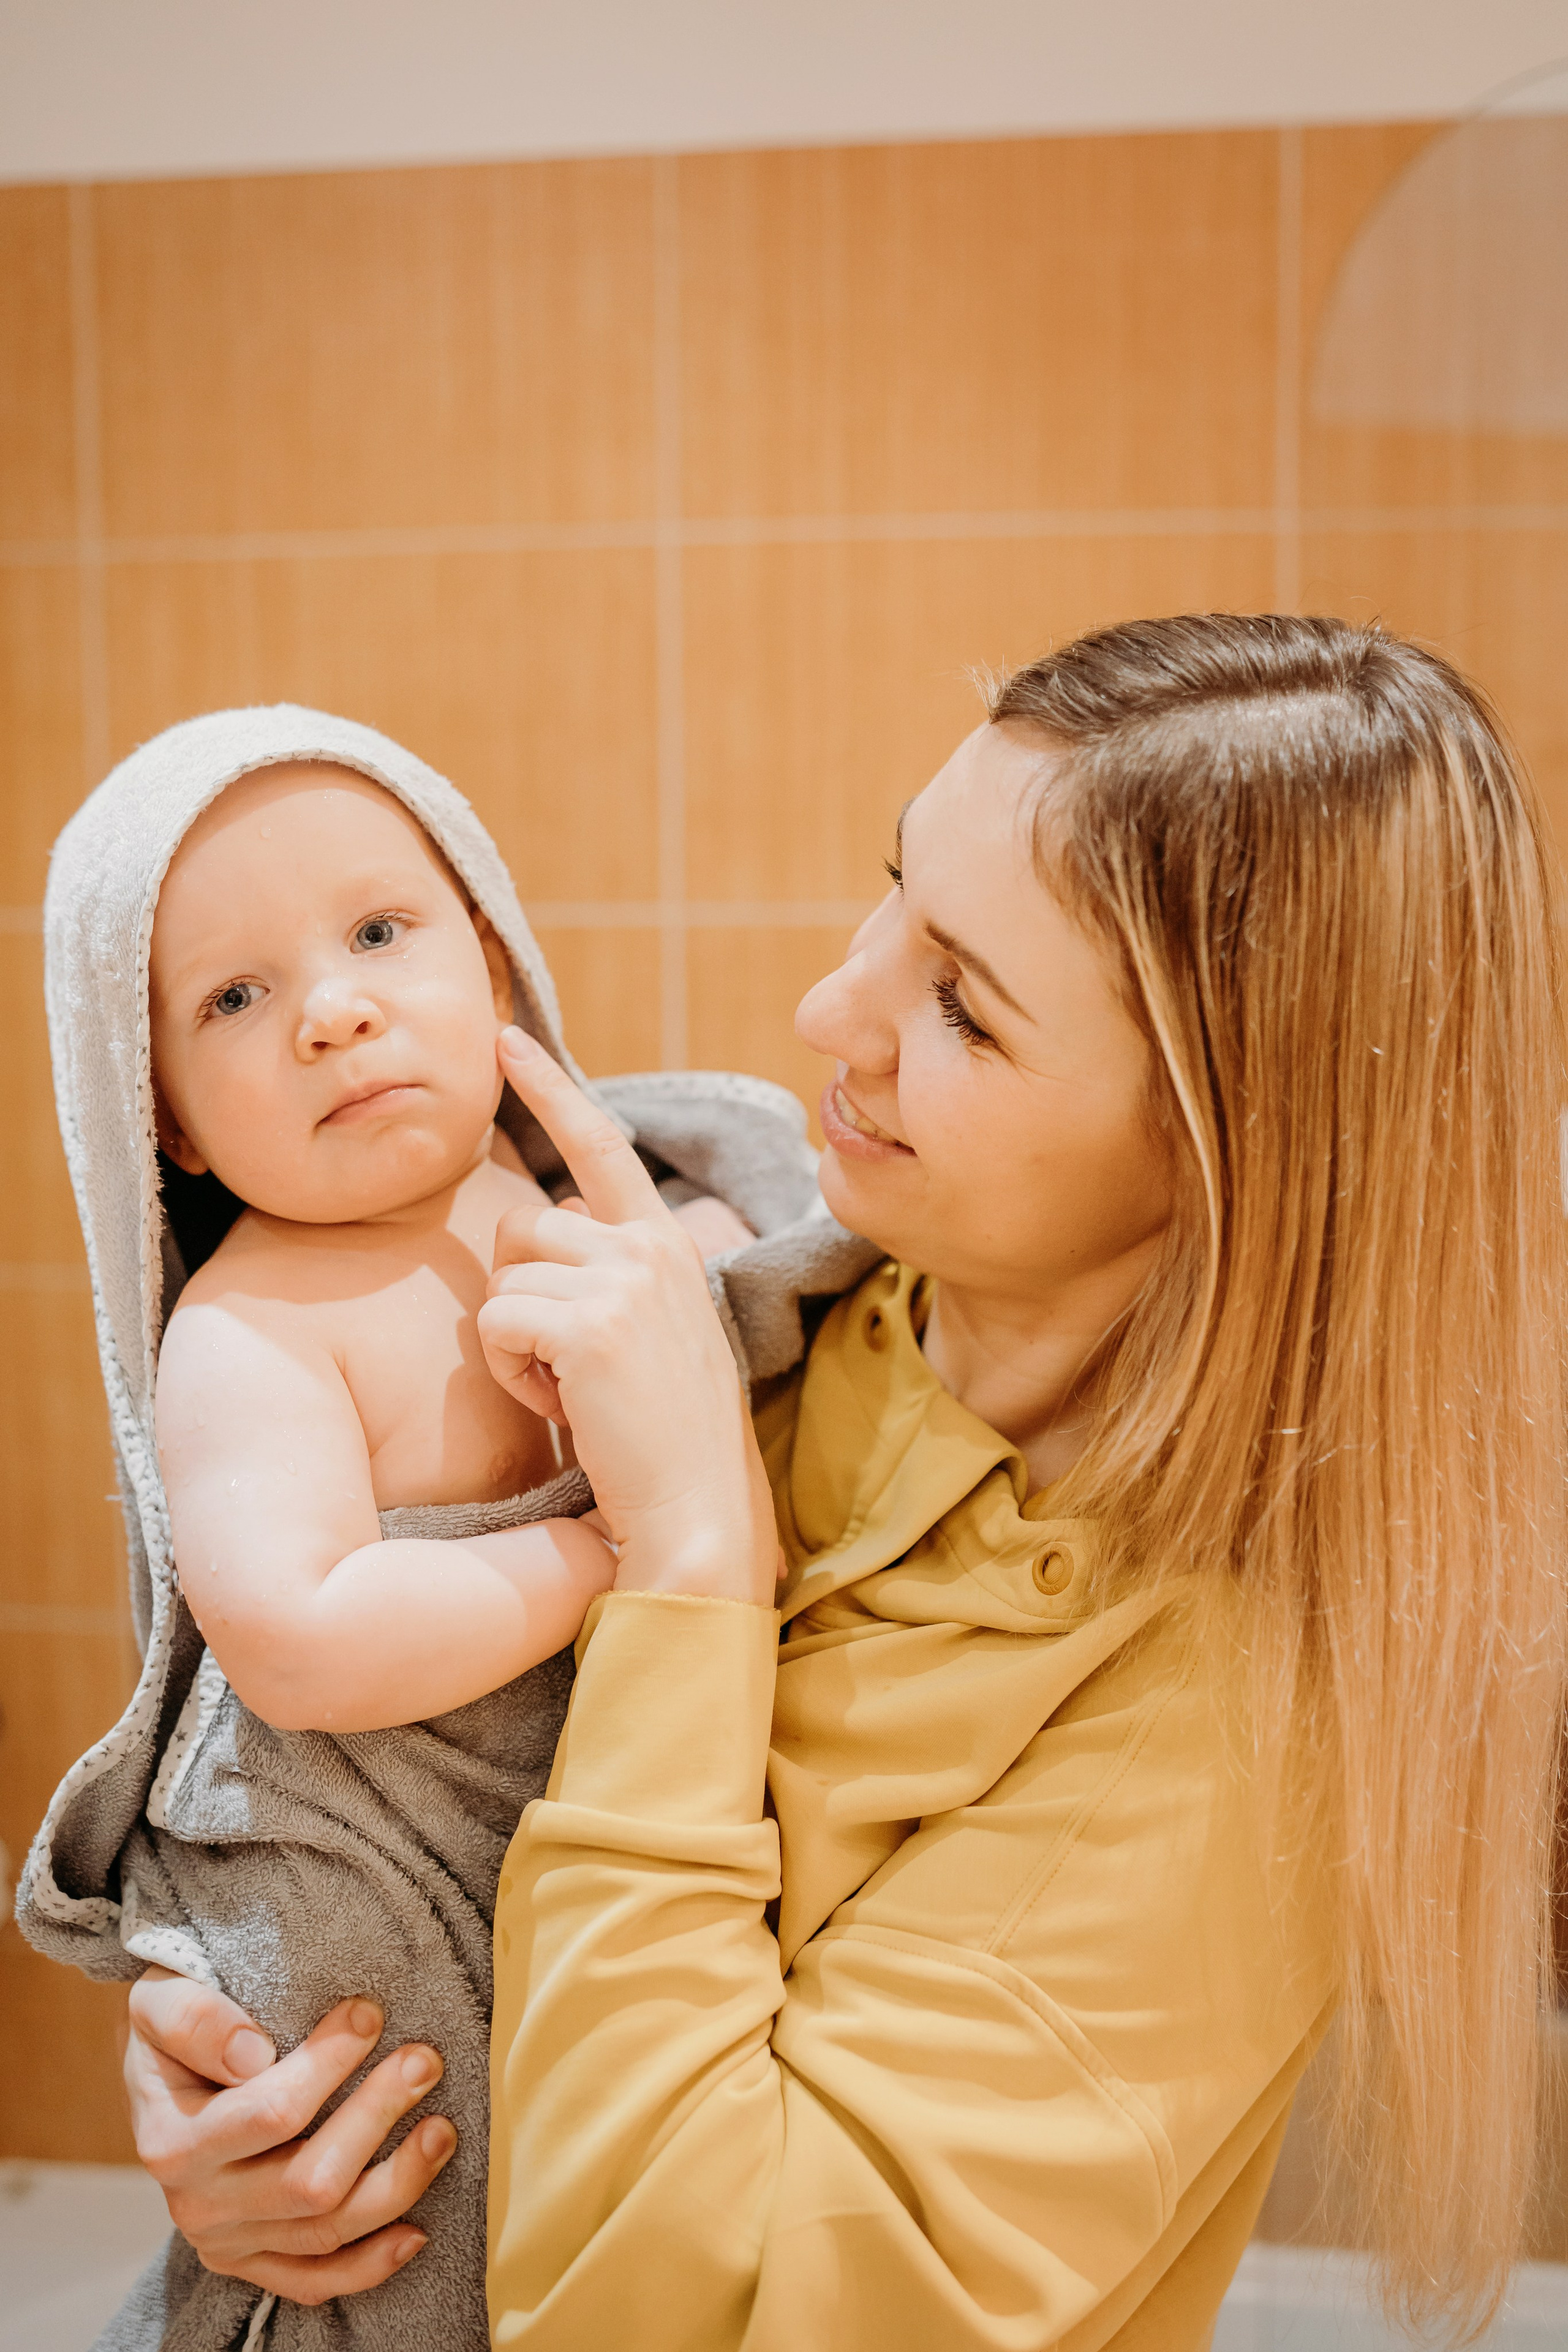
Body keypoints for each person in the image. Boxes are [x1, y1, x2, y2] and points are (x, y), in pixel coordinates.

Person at [113, 620, 1566, 2350]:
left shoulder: (1217, 1732)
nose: (830, 1009)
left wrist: (697, 1565)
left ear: (1220, 1149)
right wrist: (253, 2070)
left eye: (962, 1000)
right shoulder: (773, 1321)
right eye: (896, 887)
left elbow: (684, 2323)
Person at [17, 705, 846, 2352]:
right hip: (378, 1866)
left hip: (614, 1874)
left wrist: (722, 1254)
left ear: (493, 969)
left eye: (383, 933)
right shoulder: (254, 1334)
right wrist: (628, 1550)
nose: (333, 1011)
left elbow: (756, 1323)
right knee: (413, 2184)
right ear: (167, 1117)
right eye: (234, 997)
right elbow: (307, 1642)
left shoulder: (576, 1212)